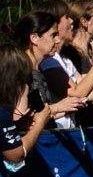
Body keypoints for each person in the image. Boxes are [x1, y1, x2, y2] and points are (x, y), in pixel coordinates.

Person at [3, 37, 82, 169]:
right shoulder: (3, 111)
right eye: (23, 80)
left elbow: (20, 120)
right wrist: (40, 122)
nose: (57, 40)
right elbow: (16, 155)